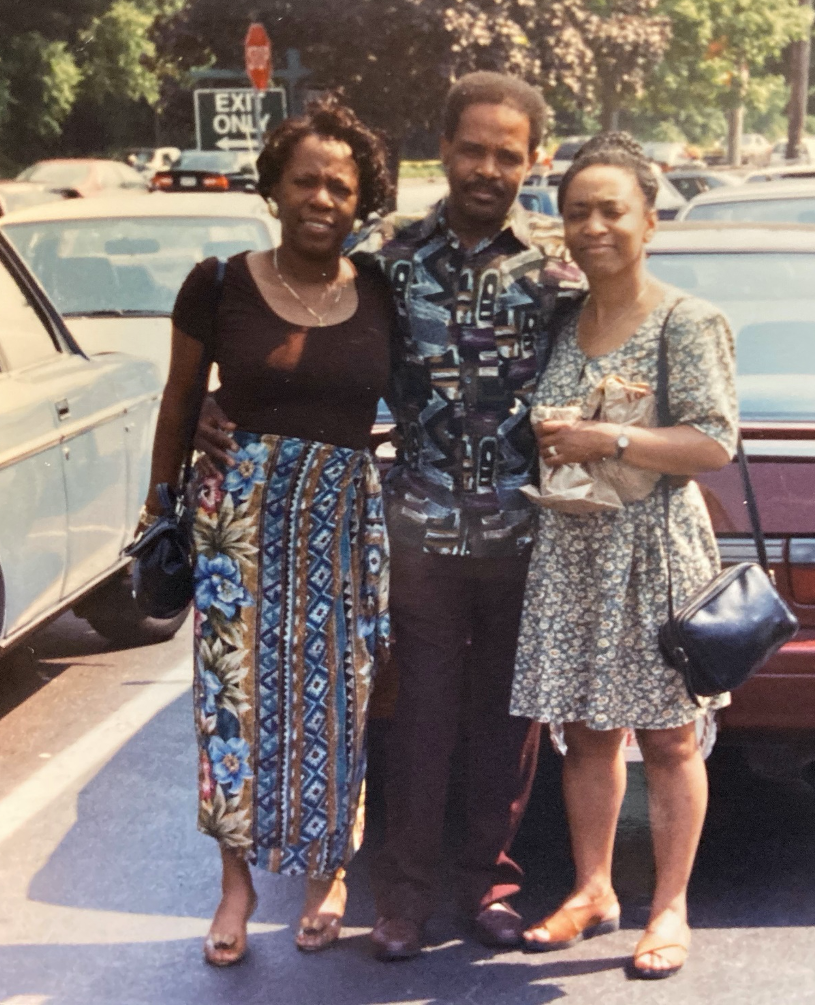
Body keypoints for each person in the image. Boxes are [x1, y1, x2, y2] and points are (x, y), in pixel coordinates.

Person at [197, 71, 582, 959]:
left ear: (533, 161)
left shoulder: (561, 272)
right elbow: (310, 340)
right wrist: (225, 404)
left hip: (526, 533)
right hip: (417, 536)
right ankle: (402, 899)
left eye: (507, 155)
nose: (487, 168)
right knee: (416, 720)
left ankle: (487, 881)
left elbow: (615, 358)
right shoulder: (387, 257)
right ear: (442, 151)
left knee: (505, 722)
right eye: (472, 150)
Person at [143, 96, 393, 967]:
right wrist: (157, 504)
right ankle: (236, 885)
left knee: (339, 702)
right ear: (275, 189)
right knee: (232, 707)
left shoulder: (383, 291)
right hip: (233, 526)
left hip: (340, 524)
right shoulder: (218, 283)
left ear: (361, 201)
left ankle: (329, 873)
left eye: (340, 186)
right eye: (305, 181)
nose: (321, 199)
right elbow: (180, 398)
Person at [509, 141, 738, 979]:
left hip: (652, 552)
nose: (593, 226)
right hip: (573, 549)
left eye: (611, 210)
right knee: (585, 735)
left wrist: (608, 435)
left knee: (671, 740)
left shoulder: (686, 320)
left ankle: (668, 906)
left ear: (649, 217)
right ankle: (593, 889)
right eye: (577, 212)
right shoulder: (560, 321)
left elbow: (713, 443)